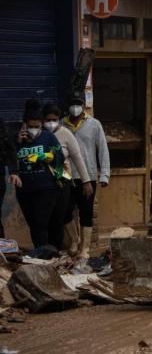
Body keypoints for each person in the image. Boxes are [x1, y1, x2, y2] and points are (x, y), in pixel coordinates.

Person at [10, 107, 65, 249]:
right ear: (24, 125)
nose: (33, 129)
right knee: (33, 224)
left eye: (37, 126)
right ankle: (40, 253)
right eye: (30, 127)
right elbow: (9, 158)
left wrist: (44, 157)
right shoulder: (16, 139)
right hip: (24, 190)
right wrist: (17, 143)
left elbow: (60, 157)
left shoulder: (48, 137)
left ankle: (46, 254)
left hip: (46, 188)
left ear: (41, 125)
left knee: (41, 223)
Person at [42, 103, 91, 255]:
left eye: (55, 119)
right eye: (48, 120)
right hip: (43, 182)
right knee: (47, 217)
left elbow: (78, 159)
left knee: (63, 213)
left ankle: (74, 245)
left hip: (62, 179)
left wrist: (86, 181)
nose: (51, 123)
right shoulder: (39, 135)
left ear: (59, 120)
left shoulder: (65, 134)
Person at [64, 95, 110, 258]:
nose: (75, 107)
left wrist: (104, 175)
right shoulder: (62, 125)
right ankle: (75, 241)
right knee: (66, 210)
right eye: (72, 104)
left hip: (88, 176)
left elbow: (103, 149)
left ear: (83, 105)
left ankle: (86, 248)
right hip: (66, 175)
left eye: (78, 104)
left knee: (86, 212)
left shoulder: (94, 124)